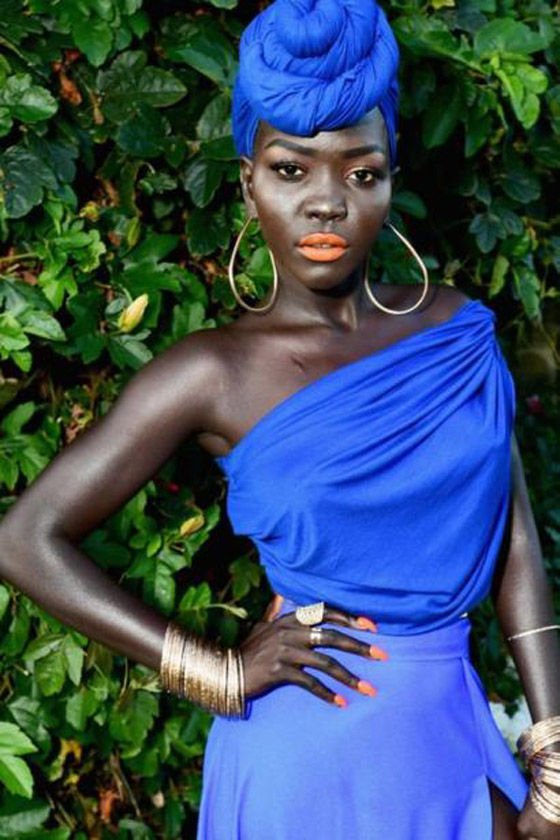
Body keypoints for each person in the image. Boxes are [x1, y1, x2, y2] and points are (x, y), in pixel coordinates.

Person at [0, 0, 558, 837]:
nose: (327, 202)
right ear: (247, 181)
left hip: (449, 738)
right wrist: (216, 671)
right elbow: (24, 540)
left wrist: (554, 756)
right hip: (303, 759)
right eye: (292, 170)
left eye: (361, 173)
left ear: (391, 178)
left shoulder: (457, 333)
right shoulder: (212, 372)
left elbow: (514, 537)